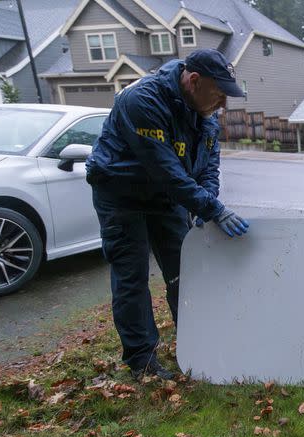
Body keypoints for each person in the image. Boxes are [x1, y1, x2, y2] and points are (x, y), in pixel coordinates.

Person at [86, 49, 250, 380]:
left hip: (166, 196)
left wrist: (208, 202)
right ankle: (142, 360)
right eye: (219, 95)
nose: (222, 106)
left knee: (185, 272)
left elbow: (208, 166)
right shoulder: (142, 100)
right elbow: (166, 170)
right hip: (121, 192)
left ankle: (196, 342)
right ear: (194, 81)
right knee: (132, 276)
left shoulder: (205, 114)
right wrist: (212, 209)